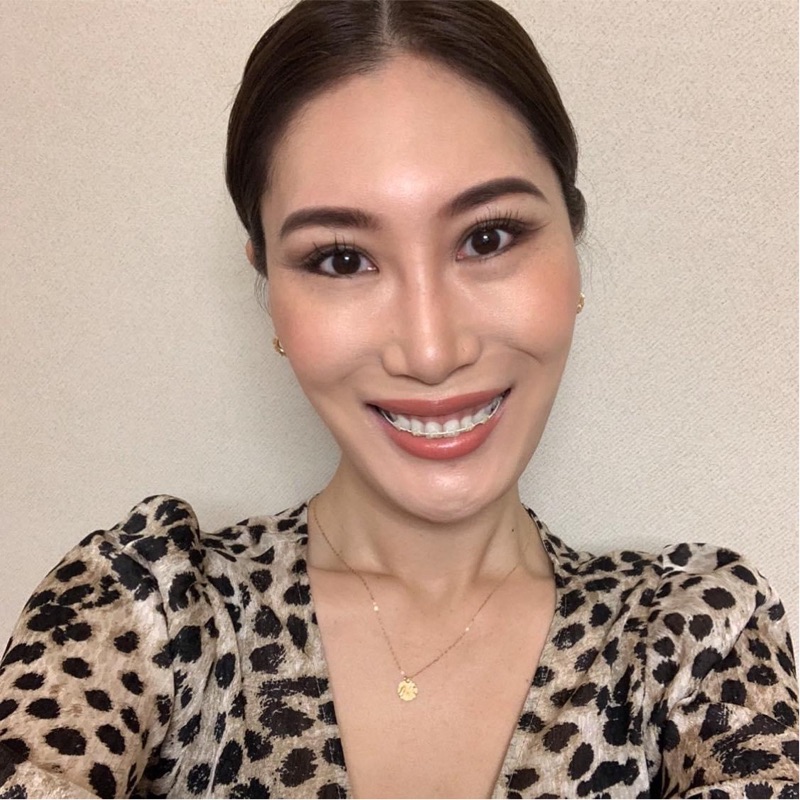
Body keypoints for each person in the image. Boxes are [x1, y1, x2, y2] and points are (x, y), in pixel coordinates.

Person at [0, 0, 797, 797]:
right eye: (342, 259)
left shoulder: (695, 640)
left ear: (573, 248)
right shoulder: (148, 610)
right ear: (269, 289)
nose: (430, 350)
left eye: (487, 238)